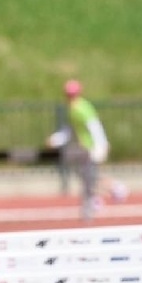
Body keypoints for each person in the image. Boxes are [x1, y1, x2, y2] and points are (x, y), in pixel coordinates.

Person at [48, 80, 127, 221]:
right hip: (84, 149)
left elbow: (94, 127)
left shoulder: (82, 108)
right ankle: (100, 196)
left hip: (91, 148)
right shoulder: (73, 109)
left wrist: (100, 145)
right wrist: (56, 139)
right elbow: (71, 130)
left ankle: (112, 190)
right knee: (87, 176)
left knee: (90, 176)